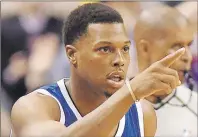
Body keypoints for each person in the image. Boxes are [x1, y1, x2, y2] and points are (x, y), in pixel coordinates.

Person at [11, 3, 184, 137]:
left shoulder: (143, 115)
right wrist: (130, 93)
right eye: (105, 49)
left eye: (124, 49)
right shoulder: (34, 107)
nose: (120, 60)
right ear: (72, 54)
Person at [133, 5, 197, 136]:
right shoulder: (112, 104)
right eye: (177, 46)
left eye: (189, 45)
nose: (187, 57)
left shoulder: (195, 105)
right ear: (145, 49)